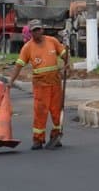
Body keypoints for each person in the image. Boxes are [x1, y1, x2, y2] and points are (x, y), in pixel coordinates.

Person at [7, 21, 70, 150]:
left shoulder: (52, 41)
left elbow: (65, 55)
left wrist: (68, 65)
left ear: (42, 29)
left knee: (56, 111)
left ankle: (56, 136)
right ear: (30, 32)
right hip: (40, 85)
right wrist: (11, 81)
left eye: (38, 29)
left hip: (55, 83)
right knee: (40, 112)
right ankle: (38, 139)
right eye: (34, 30)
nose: (37, 32)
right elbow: (19, 65)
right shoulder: (28, 47)